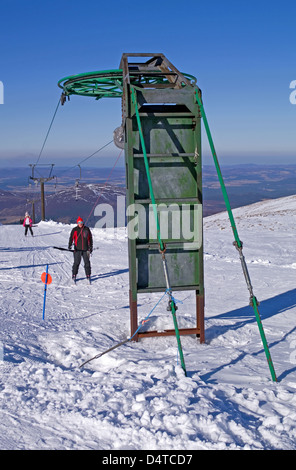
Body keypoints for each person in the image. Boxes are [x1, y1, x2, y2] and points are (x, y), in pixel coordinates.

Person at [68, 216, 93, 283]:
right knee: (76, 263)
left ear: (83, 222)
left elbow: (90, 239)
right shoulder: (74, 230)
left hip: (86, 249)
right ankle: (74, 275)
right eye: (79, 222)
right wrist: (70, 245)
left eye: (81, 222)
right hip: (77, 250)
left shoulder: (86, 229)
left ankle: (88, 275)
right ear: (77, 223)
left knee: (87, 263)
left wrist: (90, 247)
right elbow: (71, 238)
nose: (80, 223)